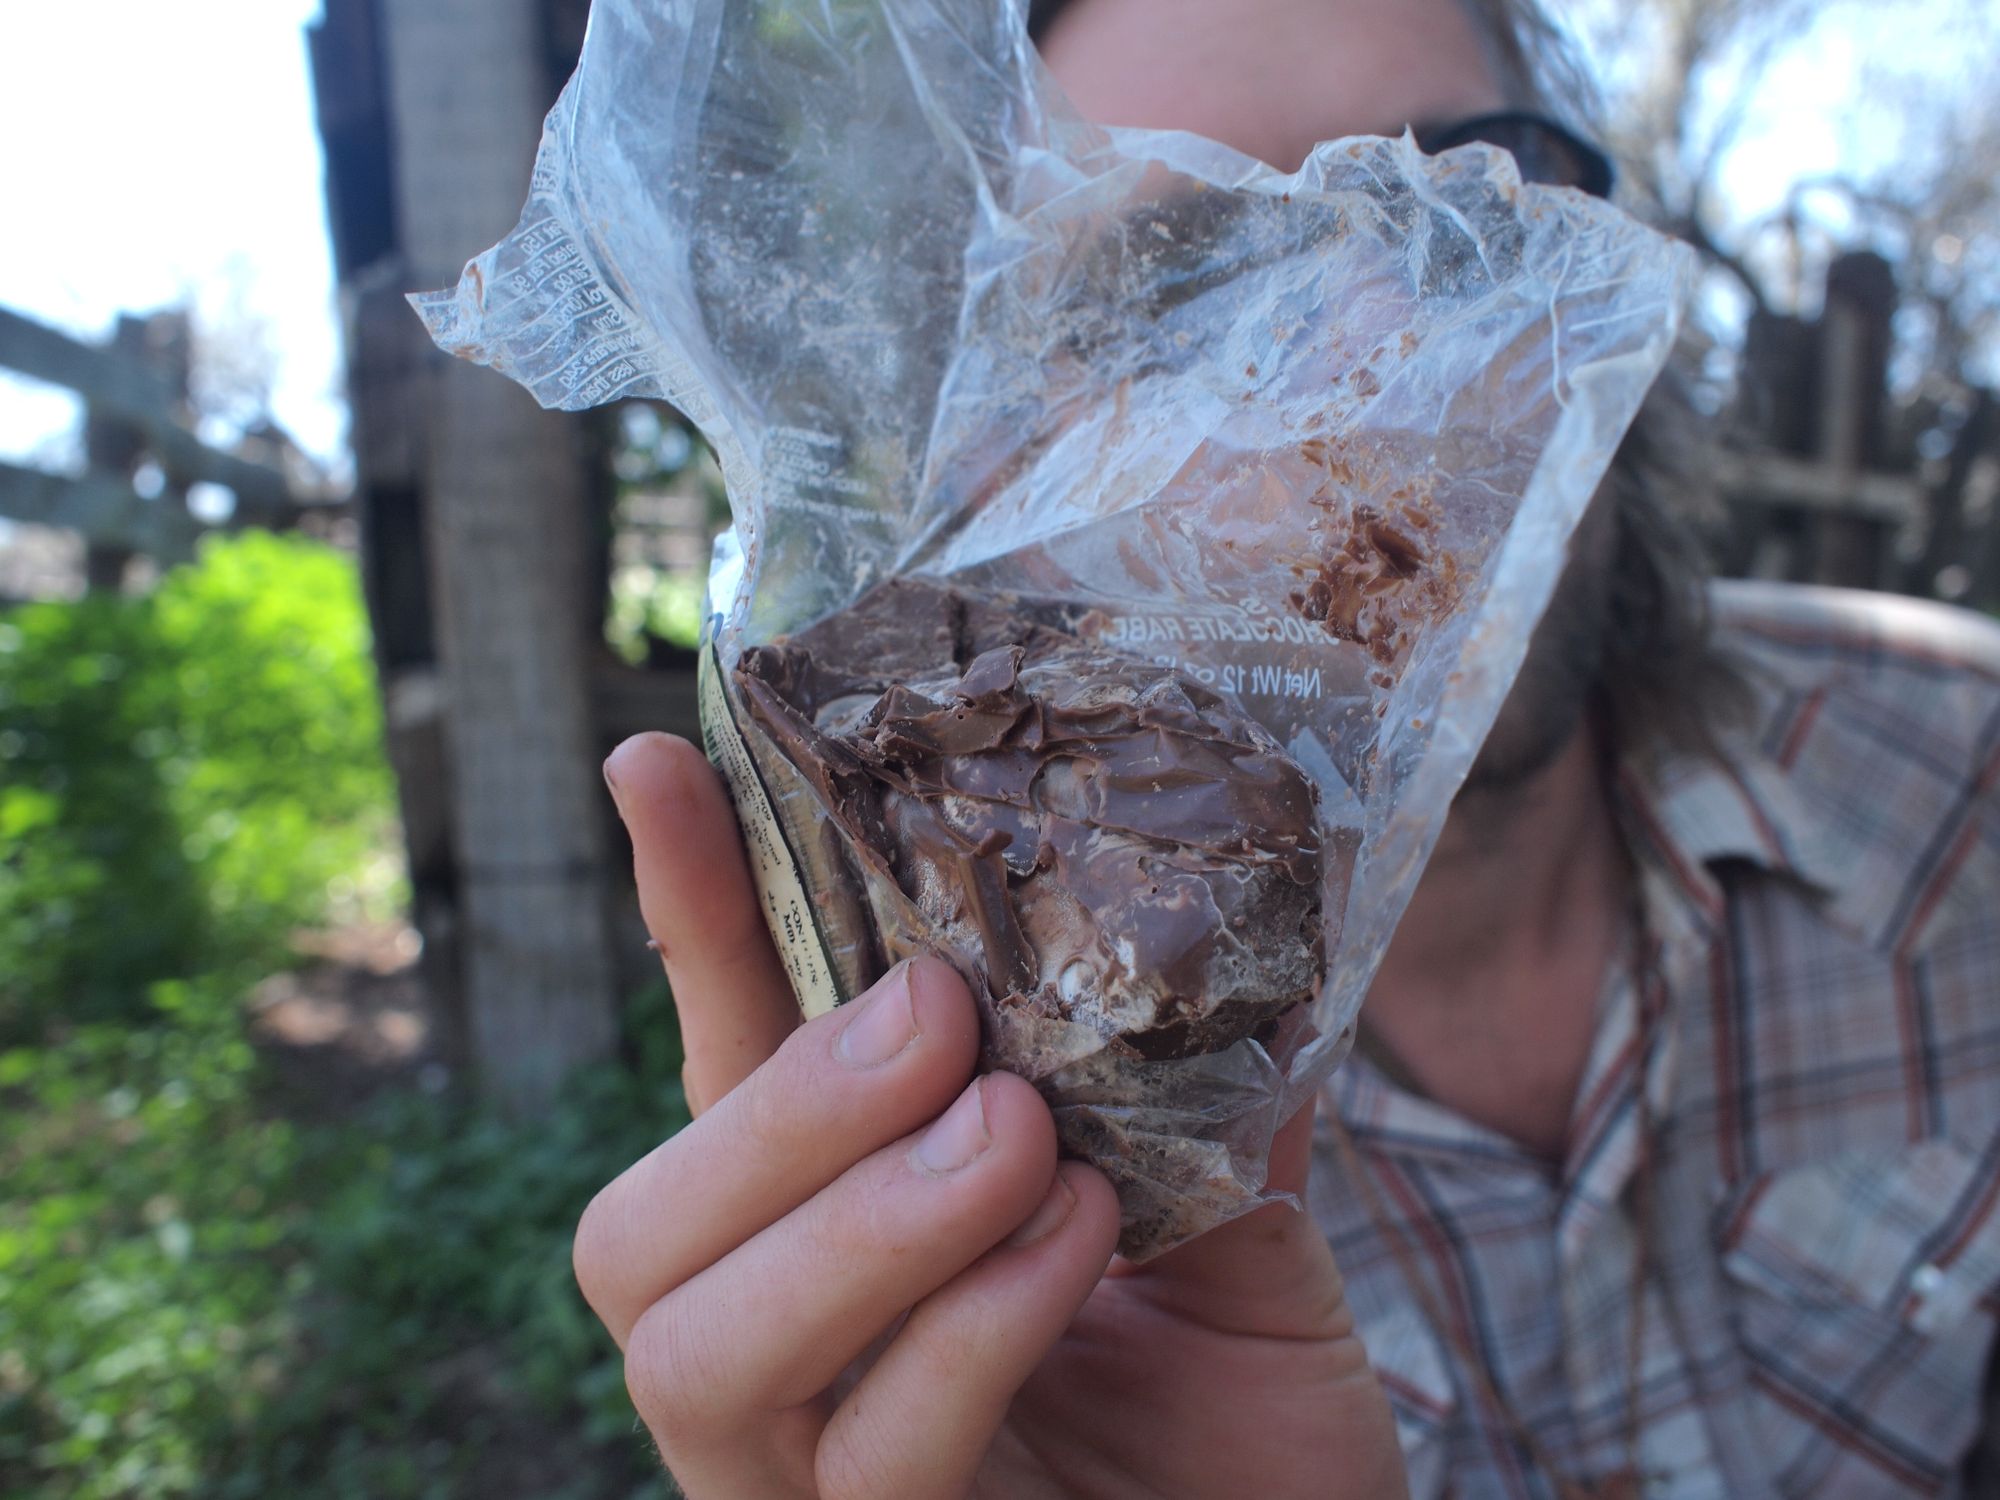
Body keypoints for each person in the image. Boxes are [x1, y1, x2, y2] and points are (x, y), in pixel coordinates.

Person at [573, 0, 2000, 1493]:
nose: (1398, 347)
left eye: (1476, 189)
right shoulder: (1029, 1182)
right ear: (997, 476)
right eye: (1191, 280)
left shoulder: (1961, 781)